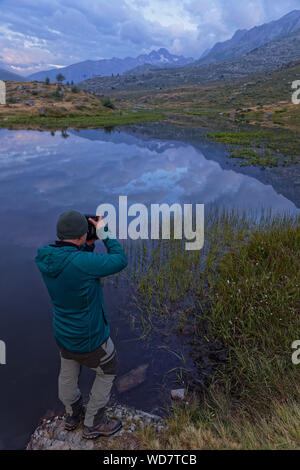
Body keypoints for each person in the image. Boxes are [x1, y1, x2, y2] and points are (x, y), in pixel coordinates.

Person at [35, 210, 128, 439]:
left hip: (64, 336)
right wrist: (104, 233)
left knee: (68, 373)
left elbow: (74, 263)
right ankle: (94, 422)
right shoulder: (83, 263)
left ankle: (73, 415)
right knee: (109, 369)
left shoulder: (46, 258)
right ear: (80, 236)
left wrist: (85, 244)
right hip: (90, 338)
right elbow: (120, 260)